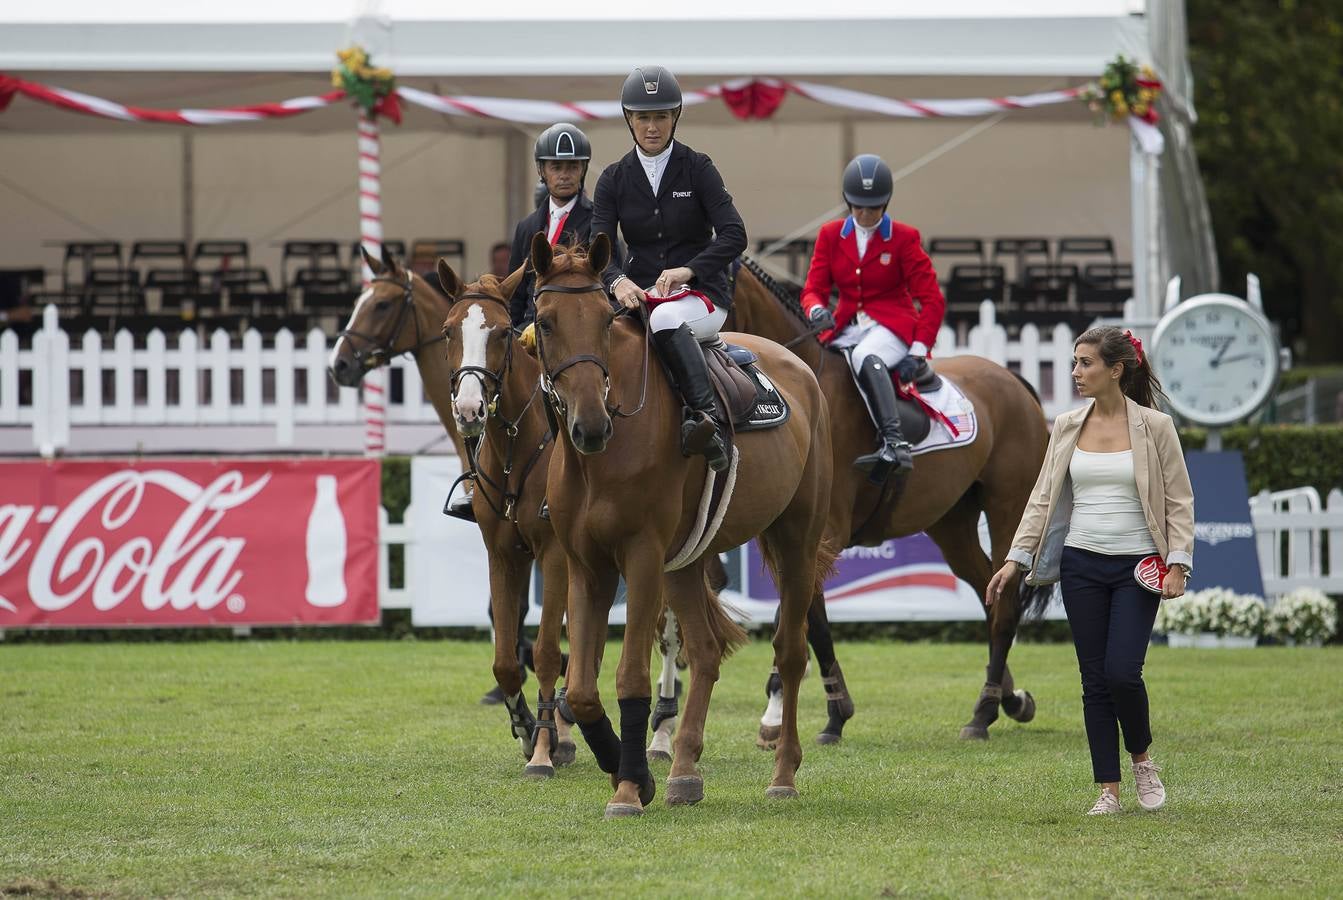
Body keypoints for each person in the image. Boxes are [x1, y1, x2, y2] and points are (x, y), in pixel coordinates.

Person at [986, 326, 1195, 816]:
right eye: (1075, 362)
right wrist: (1016, 559)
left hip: (1138, 567)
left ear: (1116, 370)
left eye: (1085, 363)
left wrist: (1179, 564)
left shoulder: (1155, 427)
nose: (1076, 372)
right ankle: (1108, 789)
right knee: (1094, 680)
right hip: (1081, 564)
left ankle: (1142, 758)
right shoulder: (1066, 425)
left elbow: (1180, 501)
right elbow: (1042, 498)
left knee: (1123, 673)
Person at [591, 64, 748, 472]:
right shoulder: (613, 179)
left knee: (664, 320)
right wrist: (616, 280)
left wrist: (688, 271)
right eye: (643, 117)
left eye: (660, 116)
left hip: (702, 298)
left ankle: (705, 418)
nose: (652, 127)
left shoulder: (698, 168)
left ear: (674, 117)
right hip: (638, 297)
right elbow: (600, 249)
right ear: (630, 119)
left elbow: (734, 235)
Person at [800, 153, 946, 484]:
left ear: (886, 204)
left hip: (893, 326)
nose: (865, 215)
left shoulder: (904, 237)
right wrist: (815, 310)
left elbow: (932, 300)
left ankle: (894, 443)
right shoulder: (830, 235)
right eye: (858, 207)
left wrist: (918, 350)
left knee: (867, 356)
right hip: (848, 325)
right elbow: (813, 289)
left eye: (874, 208)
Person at [506, 122, 611, 328]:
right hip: (527, 326)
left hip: (572, 327)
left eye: (572, 167)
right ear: (541, 170)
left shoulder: (597, 221)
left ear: (582, 169)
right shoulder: (526, 227)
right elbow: (516, 294)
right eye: (556, 167)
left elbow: (608, 282)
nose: (564, 175)